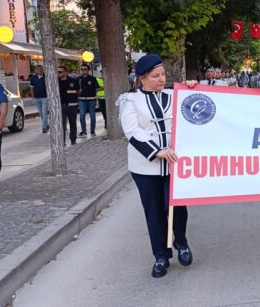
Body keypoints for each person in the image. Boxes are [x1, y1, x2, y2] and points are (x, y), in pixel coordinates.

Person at [118, 54, 194, 278]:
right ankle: (161, 255)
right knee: (154, 211)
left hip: (175, 164)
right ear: (142, 78)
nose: (161, 79)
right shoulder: (130, 100)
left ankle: (182, 242)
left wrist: (192, 88)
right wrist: (156, 151)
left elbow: (194, 108)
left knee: (177, 206)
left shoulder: (175, 94)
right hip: (145, 167)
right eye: (155, 76)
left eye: (162, 74)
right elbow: (132, 130)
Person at [77, 64, 101, 137]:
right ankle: (84, 131)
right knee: (82, 115)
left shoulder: (93, 78)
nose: (83, 70)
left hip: (91, 100)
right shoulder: (78, 78)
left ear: (88, 70)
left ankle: (92, 131)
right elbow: (76, 89)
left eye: (85, 69)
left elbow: (97, 88)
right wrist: (78, 91)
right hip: (81, 100)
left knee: (93, 116)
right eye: (82, 69)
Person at [58, 66, 79, 145]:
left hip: (72, 105)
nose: (58, 73)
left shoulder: (73, 81)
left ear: (65, 72)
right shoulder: (56, 81)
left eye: (60, 72)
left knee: (73, 124)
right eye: (58, 72)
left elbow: (78, 91)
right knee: (62, 125)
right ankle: (62, 142)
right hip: (61, 106)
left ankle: (73, 140)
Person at [28, 64, 49, 133]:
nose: (39, 70)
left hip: (45, 98)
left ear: (43, 69)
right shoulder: (33, 78)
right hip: (36, 98)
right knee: (41, 113)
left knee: (44, 112)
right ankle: (47, 124)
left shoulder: (47, 77)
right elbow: (31, 87)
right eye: (38, 69)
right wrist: (32, 96)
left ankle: (44, 127)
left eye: (41, 69)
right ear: (35, 70)